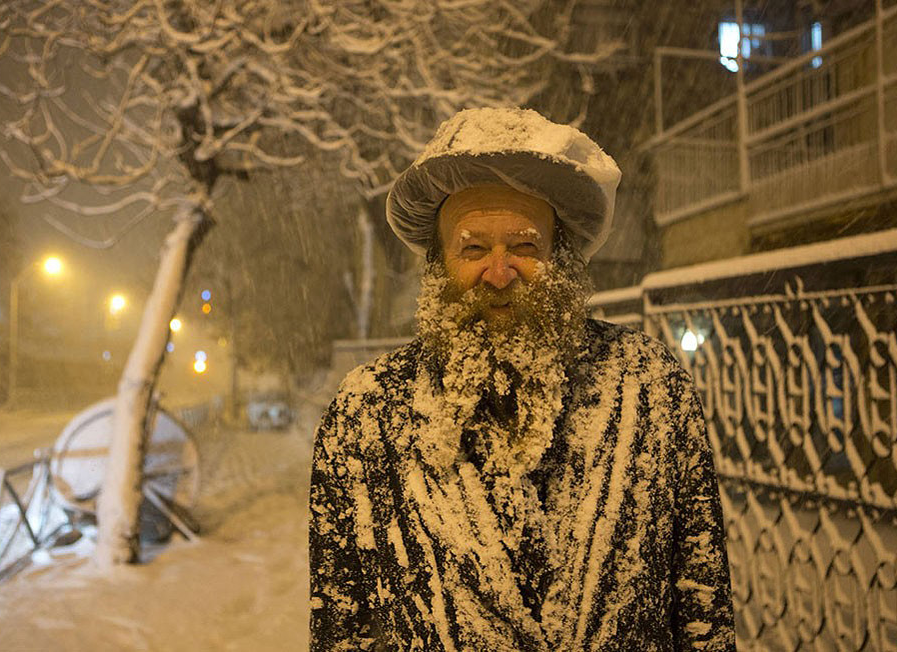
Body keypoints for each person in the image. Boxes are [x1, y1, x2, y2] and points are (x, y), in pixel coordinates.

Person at [309, 107, 736, 651]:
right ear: (439, 262)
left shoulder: (650, 389)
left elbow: (704, 616)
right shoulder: (365, 416)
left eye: (525, 245)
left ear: (559, 257)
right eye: (473, 247)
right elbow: (339, 637)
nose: (499, 271)